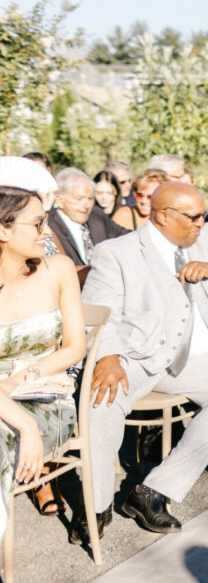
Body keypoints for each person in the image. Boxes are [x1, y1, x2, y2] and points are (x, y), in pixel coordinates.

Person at [78, 183, 208, 539]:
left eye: (203, 215)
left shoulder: (204, 240)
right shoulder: (116, 252)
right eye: (194, 216)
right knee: (100, 403)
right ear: (162, 215)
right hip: (138, 357)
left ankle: (150, 493)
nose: (201, 222)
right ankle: (96, 506)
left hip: (196, 358)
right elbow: (99, 313)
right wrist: (107, 355)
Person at [0, 187, 85, 530]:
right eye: (37, 224)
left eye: (45, 222)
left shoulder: (59, 269)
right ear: (3, 230)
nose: (47, 232)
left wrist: (20, 380)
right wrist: (24, 424)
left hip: (47, 397)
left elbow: (75, 347)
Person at [47, 169, 128, 270]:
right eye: (79, 199)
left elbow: (126, 236)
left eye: (90, 199)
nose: (86, 205)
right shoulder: (48, 228)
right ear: (59, 200)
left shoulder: (96, 216)